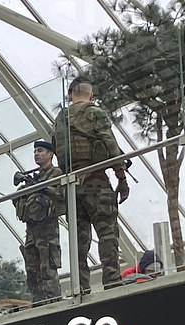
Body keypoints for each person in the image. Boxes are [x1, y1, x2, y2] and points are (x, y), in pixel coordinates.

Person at [52, 76, 130, 293]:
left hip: (72, 185)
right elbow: (110, 143)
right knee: (107, 234)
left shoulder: (60, 118)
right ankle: (112, 283)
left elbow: (56, 147)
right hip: (96, 180)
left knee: (79, 242)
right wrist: (121, 176)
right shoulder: (95, 112)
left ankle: (81, 289)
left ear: (70, 94)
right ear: (91, 95)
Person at [12, 141, 64, 305]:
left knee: (47, 269)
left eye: (40, 151)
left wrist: (39, 188)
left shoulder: (55, 173)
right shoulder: (34, 178)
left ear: (50, 154)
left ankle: (53, 301)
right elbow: (18, 198)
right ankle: (38, 301)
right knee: (32, 272)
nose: (36, 154)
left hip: (47, 231)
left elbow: (59, 195)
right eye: (35, 151)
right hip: (32, 232)